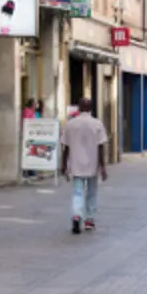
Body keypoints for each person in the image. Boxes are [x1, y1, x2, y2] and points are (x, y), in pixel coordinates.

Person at [60, 97, 108, 234]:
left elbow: (66, 147)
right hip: (92, 164)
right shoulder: (97, 124)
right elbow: (101, 147)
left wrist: (64, 165)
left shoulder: (71, 124)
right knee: (92, 192)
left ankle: (76, 215)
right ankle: (89, 220)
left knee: (77, 192)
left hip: (76, 164)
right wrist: (103, 166)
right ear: (91, 108)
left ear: (79, 108)